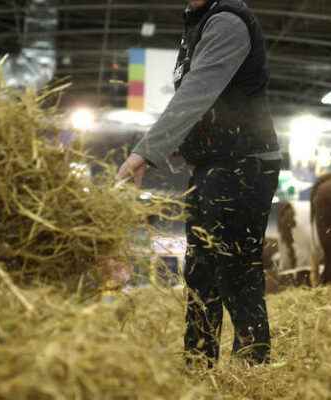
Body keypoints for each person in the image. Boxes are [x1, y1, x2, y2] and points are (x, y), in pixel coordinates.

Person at [115, 0, 281, 368]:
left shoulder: (227, 21)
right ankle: (198, 368)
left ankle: (253, 372)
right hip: (214, 163)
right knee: (200, 273)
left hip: (243, 162)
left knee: (235, 269)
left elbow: (197, 93)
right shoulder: (199, 23)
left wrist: (146, 151)